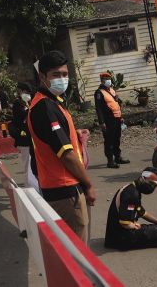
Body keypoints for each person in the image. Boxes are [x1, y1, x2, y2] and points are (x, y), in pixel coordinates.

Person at [27, 50, 96, 241]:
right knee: (77, 250)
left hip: (60, 187)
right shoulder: (45, 107)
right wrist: (88, 184)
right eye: (56, 75)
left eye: (65, 74)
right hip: (64, 189)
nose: (62, 79)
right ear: (42, 77)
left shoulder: (52, 103)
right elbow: (66, 154)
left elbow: (56, 139)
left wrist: (76, 133)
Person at [94, 72, 129, 169]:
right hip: (108, 120)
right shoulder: (99, 93)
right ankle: (110, 161)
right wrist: (101, 122)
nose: (108, 81)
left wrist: (120, 117)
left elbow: (116, 104)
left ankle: (118, 157)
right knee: (109, 140)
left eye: (109, 78)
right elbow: (99, 109)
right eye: (106, 79)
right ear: (102, 80)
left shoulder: (112, 90)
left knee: (116, 139)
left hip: (116, 118)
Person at [11, 82, 39, 192]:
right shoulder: (18, 103)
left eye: (29, 92)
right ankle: (29, 188)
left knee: (32, 162)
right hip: (23, 138)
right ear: (21, 91)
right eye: (25, 91)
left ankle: (33, 186)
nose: (27, 94)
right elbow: (20, 118)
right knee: (28, 163)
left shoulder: (29, 102)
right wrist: (29, 110)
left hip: (30, 138)